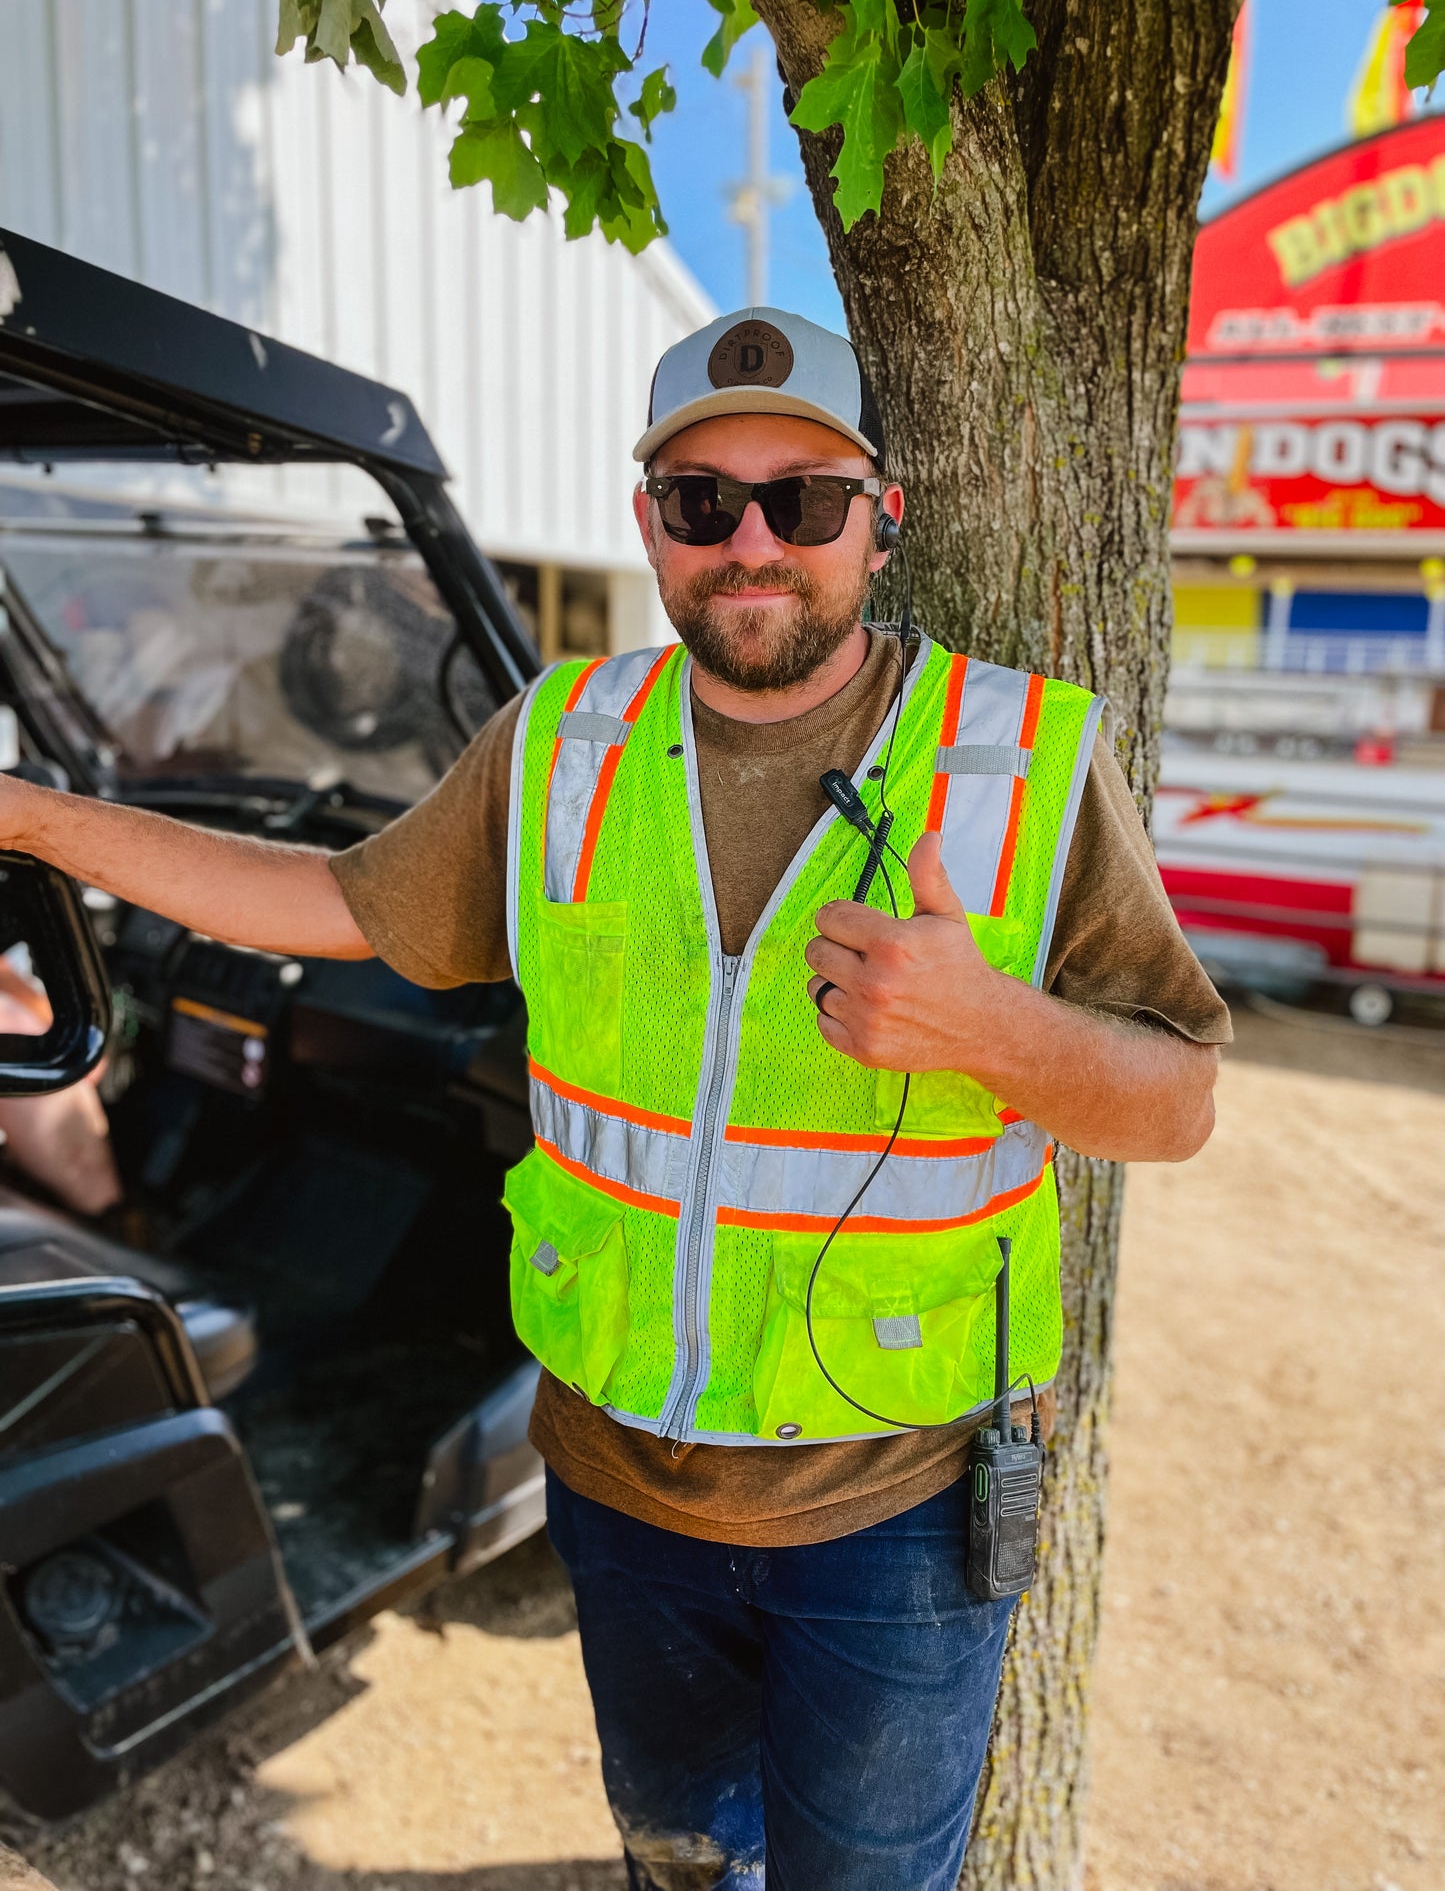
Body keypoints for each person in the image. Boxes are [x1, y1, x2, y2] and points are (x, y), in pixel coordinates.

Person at [0, 308, 1229, 1890]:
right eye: (704, 502)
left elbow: (1177, 1102)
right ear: (649, 521)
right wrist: (35, 818)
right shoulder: (564, 742)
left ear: (881, 517)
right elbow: (328, 904)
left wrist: (989, 1026)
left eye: (806, 499)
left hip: (893, 1517)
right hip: (616, 1483)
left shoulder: (1020, 762)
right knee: (678, 1854)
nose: (754, 544)